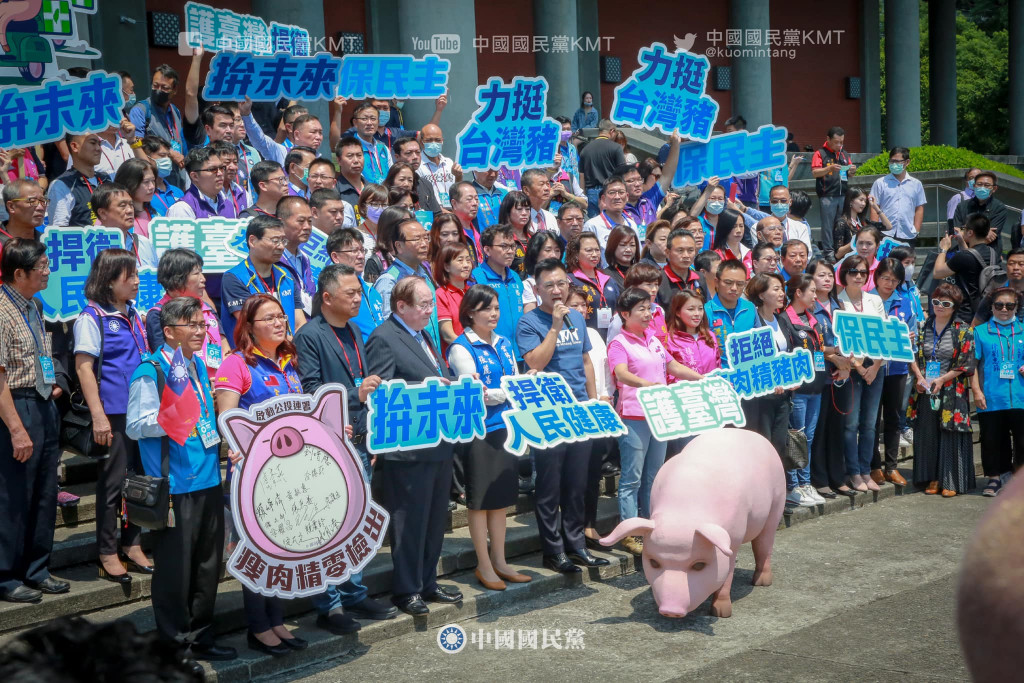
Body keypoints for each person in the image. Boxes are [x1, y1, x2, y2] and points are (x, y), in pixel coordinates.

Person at [125, 297, 236, 667]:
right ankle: (174, 647)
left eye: (203, 325)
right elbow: (135, 426)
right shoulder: (151, 370)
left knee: (208, 565)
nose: (200, 332)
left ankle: (202, 637)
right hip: (174, 486)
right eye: (192, 325)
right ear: (169, 331)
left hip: (206, 478)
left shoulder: (199, 366)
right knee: (175, 571)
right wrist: (171, 418)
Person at [292, 265, 398, 629]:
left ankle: (354, 593)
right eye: (350, 293)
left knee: (355, 523)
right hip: (328, 443)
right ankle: (330, 605)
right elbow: (310, 391)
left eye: (358, 292)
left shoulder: (354, 329)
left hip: (359, 436)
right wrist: (355, 393)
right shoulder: (309, 335)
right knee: (327, 527)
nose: (357, 299)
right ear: (326, 297)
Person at [213, 294, 307, 656]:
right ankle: (258, 626)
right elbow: (228, 422)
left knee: (282, 549)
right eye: (268, 318)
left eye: (281, 316)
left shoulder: (288, 361)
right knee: (255, 550)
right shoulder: (236, 364)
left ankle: (277, 619)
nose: (279, 323)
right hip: (252, 475)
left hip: (290, 472)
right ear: (248, 327)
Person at [366, 277, 463, 615]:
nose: (429, 310)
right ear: (400, 306)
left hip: (437, 440)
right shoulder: (383, 337)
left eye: (430, 304)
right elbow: (381, 392)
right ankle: (406, 590)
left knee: (435, 519)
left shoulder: (421, 333)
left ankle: (427, 583)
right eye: (422, 304)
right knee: (409, 522)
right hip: (407, 448)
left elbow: (434, 374)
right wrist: (425, 385)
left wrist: (453, 384)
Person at [516, 259, 608, 573]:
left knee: (577, 483)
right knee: (550, 486)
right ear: (537, 289)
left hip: (580, 411)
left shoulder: (578, 319)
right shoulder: (529, 322)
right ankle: (553, 551)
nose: (557, 291)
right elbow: (535, 362)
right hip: (548, 412)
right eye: (549, 286)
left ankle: (576, 544)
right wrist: (554, 326)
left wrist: (593, 405)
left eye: (561, 284)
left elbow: (586, 363)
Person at [73, 249, 151, 584]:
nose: (136, 281)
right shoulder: (91, 317)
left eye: (135, 275)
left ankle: (133, 543)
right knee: (112, 484)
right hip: (114, 413)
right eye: (128, 276)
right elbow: (84, 368)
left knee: (140, 480)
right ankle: (107, 550)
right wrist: (99, 416)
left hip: (143, 412)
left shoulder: (134, 313)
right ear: (108, 280)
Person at [446, 285, 529, 590]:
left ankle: (501, 560)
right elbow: (478, 393)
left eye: (496, 308)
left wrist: (516, 387)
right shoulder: (461, 347)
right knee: (480, 500)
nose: (494, 313)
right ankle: (483, 564)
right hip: (478, 430)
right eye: (487, 309)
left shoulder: (504, 342)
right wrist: (508, 391)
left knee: (501, 498)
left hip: (505, 426)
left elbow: (513, 380)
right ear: (470, 313)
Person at [608, 287, 701, 554]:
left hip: (660, 414)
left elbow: (672, 366)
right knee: (631, 478)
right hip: (634, 416)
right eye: (642, 309)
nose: (649, 314)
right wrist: (647, 385)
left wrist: (701, 378)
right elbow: (621, 374)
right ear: (625, 314)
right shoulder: (619, 343)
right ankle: (630, 531)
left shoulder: (653, 339)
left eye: (649, 309)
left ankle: (650, 526)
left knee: (653, 475)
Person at [0, 240, 68, 604]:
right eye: (41, 266)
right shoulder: (1, 310)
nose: (47, 271)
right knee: (13, 495)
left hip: (43, 403)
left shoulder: (34, 305)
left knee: (44, 493)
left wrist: (52, 381)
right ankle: (6, 575)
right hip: (16, 406)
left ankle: (36, 569)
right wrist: (15, 428)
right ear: (19, 273)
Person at [907, 283, 976, 496]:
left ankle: (951, 480)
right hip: (925, 388)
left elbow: (965, 363)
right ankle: (932, 478)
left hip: (951, 389)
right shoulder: (921, 327)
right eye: (936, 302)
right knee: (927, 432)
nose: (939, 306)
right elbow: (912, 355)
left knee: (950, 433)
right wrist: (919, 378)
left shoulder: (963, 330)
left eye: (945, 303)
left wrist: (942, 379)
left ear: (954, 306)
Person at [564, 285, 615, 543]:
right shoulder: (562, 333)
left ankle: (590, 523)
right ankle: (572, 526)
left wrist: (606, 395)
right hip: (574, 408)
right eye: (574, 305)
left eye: (583, 306)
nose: (581, 310)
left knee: (594, 470)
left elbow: (604, 367)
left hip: (598, 406)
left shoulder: (594, 334)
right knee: (575, 473)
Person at [805, 258, 855, 498]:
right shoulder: (807, 307)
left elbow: (850, 340)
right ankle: (819, 478)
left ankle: (838, 476)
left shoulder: (839, 306)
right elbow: (809, 343)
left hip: (841, 375)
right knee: (819, 429)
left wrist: (846, 364)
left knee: (838, 427)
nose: (826, 279)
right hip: (818, 377)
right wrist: (834, 357)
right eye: (820, 275)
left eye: (828, 275)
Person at [837, 255, 887, 493]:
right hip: (851, 366)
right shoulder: (838, 301)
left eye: (863, 273)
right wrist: (859, 367)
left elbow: (884, 334)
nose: (858, 276)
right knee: (851, 423)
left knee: (869, 423)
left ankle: (866, 471)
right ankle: (854, 472)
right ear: (844, 274)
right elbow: (841, 340)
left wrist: (875, 367)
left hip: (876, 365)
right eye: (853, 271)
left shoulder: (875, 300)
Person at [780, 273, 830, 506]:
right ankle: (793, 486)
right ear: (798, 293)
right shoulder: (785, 320)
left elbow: (820, 352)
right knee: (795, 438)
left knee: (808, 438)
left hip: (817, 387)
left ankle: (806, 482)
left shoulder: (814, 321)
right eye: (811, 291)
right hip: (798, 390)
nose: (815, 295)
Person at [971, 287, 1024, 497]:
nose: (1004, 309)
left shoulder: (1022, 330)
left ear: (1016, 308)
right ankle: (994, 478)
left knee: (1022, 441)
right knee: (992, 439)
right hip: (991, 395)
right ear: (991, 307)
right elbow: (972, 364)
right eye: (999, 305)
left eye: (1010, 305)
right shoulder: (980, 331)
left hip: (1020, 396)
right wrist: (976, 390)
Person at [221, 214, 306, 343]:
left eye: (283, 241)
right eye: (275, 240)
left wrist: (299, 348)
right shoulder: (234, 278)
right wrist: (293, 346)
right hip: (253, 358)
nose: (281, 246)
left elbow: (300, 322)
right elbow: (254, 327)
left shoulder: (286, 275)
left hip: (290, 356)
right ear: (253, 241)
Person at [868, 259, 915, 488]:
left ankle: (892, 467)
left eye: (894, 280)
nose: (889, 283)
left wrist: (910, 339)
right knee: (872, 419)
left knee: (895, 417)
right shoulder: (866, 301)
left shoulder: (905, 303)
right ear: (876, 277)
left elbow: (913, 333)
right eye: (885, 278)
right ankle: (874, 465)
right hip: (871, 368)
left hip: (896, 368)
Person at [146, 249, 230, 374]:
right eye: (196, 273)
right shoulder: (158, 314)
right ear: (177, 278)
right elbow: (165, 359)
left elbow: (224, 345)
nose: (203, 279)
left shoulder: (207, 308)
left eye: (201, 272)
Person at [742, 273, 794, 462]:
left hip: (784, 392)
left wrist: (793, 378)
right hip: (762, 394)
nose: (782, 293)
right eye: (776, 289)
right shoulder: (752, 321)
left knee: (779, 444)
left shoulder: (781, 320)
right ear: (762, 295)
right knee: (763, 444)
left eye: (782, 289)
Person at [373, 209, 442, 350]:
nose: (424, 244)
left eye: (426, 238)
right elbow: (387, 328)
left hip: (432, 351)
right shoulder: (389, 281)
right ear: (398, 246)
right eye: (417, 239)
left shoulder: (425, 274)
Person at [471, 225, 526, 361]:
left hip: (521, 352)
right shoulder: (476, 278)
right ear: (487, 250)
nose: (510, 251)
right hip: (492, 353)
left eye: (512, 246)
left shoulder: (515, 277)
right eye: (503, 246)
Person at [933, 213, 998, 323]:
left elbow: (937, 272)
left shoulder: (963, 257)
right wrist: (962, 243)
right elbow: (972, 258)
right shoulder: (992, 253)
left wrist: (943, 249)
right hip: (984, 311)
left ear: (970, 232)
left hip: (964, 313)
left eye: (964, 228)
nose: (962, 230)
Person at [325, 228, 385, 341]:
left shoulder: (371, 291)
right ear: (335, 257)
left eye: (362, 251)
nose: (361, 256)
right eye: (354, 251)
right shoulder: (332, 294)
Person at [240, 97, 323, 169]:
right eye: (313, 132)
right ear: (297, 134)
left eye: (320, 133)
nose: (318, 137)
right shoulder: (282, 153)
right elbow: (260, 139)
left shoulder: (320, 160)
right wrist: (247, 115)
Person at [46, 133, 108, 226]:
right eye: (92, 143)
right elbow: (58, 231)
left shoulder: (106, 179)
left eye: (99, 144)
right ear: (74, 146)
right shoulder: (61, 184)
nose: (99, 149)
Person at [811, 126, 856, 256]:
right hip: (827, 195)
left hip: (843, 194)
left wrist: (852, 170)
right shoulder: (820, 153)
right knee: (828, 225)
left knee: (841, 224)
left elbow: (850, 174)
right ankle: (829, 251)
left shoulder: (844, 154)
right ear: (828, 139)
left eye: (841, 142)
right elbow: (815, 172)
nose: (839, 145)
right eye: (836, 142)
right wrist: (829, 168)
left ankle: (839, 250)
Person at [869, 147, 926, 243]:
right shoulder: (880, 183)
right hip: (884, 233)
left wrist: (916, 230)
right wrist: (875, 230)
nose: (894, 164)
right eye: (892, 161)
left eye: (897, 162)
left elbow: (919, 208)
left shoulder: (916, 184)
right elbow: (874, 207)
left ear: (907, 162)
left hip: (907, 234)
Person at [567, 232, 620, 332]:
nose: (595, 254)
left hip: (610, 338)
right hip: (583, 337)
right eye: (589, 250)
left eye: (597, 250)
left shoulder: (609, 280)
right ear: (576, 253)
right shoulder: (569, 281)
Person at [606, 262, 669, 344]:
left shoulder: (659, 310)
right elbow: (613, 347)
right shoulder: (621, 317)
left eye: (656, 284)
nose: (654, 289)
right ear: (633, 287)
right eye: (649, 284)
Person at [583, 177, 639, 266]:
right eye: (612, 193)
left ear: (627, 196)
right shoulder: (592, 225)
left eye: (621, 192)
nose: (617, 197)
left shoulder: (631, 224)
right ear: (603, 198)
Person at [706, 258, 757, 357]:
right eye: (728, 283)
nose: (734, 288)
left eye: (740, 284)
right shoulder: (706, 311)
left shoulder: (750, 308)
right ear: (716, 282)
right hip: (719, 370)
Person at [165, 147, 231, 220]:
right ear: (195, 176)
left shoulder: (228, 203)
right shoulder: (182, 209)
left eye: (221, 168)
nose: (220, 173)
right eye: (213, 169)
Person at [275, 196, 315, 316]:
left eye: (310, 221)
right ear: (281, 222)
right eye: (301, 221)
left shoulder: (305, 258)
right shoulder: (274, 259)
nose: (307, 226)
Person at [433, 242, 474, 354]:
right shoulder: (441, 294)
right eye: (460, 260)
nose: (466, 265)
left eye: (468, 260)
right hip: (457, 356)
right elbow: (448, 335)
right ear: (446, 266)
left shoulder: (473, 291)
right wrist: (471, 351)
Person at [579, 120, 626, 217]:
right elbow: (623, 172)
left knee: (596, 225)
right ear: (612, 131)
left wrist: (583, 196)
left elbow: (582, 176)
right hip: (611, 191)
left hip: (591, 192)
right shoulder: (616, 148)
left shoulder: (585, 149)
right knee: (612, 223)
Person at [953, 171, 1008, 249]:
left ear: (994, 188)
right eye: (979, 184)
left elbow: (990, 237)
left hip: (987, 253)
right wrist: (983, 231)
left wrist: (965, 230)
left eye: (987, 185)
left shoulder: (999, 208)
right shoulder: (962, 206)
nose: (982, 187)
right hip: (963, 253)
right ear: (974, 186)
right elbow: (957, 231)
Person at [832, 189, 892, 260]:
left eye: (865, 201)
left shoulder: (863, 222)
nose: (863, 204)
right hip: (851, 262)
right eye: (861, 200)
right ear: (851, 201)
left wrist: (875, 207)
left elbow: (888, 226)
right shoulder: (841, 223)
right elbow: (838, 254)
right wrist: (857, 240)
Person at [657, 228, 709, 309]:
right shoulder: (658, 280)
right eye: (680, 250)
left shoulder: (700, 278)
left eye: (690, 250)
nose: (686, 255)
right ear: (667, 253)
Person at [392, 136, 444, 215]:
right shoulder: (390, 184)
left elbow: (437, 215)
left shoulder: (425, 184)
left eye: (418, 152)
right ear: (397, 157)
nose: (415, 157)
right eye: (409, 153)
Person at [973, 247, 1024, 326]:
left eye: (1021, 264)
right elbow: (976, 323)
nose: (1016, 268)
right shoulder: (994, 294)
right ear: (1006, 266)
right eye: (1011, 263)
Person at [114, 158, 157, 251]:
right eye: (146, 182)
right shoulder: (114, 218)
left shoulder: (158, 213)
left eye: (153, 180)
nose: (152, 186)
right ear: (129, 183)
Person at [417, 123, 459, 209]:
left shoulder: (449, 162)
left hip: (453, 209)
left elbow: (457, 190)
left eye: (437, 140)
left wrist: (459, 177)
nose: (434, 143)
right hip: (433, 212)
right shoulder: (418, 165)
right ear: (421, 142)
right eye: (429, 140)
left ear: (442, 141)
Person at [140, 135, 185, 216]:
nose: (167, 160)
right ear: (147, 158)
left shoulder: (177, 191)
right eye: (162, 155)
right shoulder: (142, 194)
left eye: (168, 156)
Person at [522, 231, 564, 313]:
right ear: (535, 253)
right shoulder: (528, 285)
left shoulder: (567, 280)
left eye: (557, 250)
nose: (553, 255)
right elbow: (530, 319)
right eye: (548, 250)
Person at [498, 191, 533, 278]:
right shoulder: (501, 239)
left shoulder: (534, 238)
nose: (524, 213)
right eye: (519, 209)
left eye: (528, 209)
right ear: (508, 211)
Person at [450, 181, 483, 263]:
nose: (475, 203)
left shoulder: (477, 232)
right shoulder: (450, 234)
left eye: (476, 199)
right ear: (454, 203)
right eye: (469, 199)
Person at [521, 169, 559, 234]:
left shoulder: (550, 217)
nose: (547, 188)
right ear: (526, 190)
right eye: (541, 184)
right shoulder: (520, 218)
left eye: (547, 184)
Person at [334, 136, 367, 209]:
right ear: (339, 160)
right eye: (350, 156)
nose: (356, 160)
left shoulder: (372, 189)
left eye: (359, 155)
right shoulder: (334, 191)